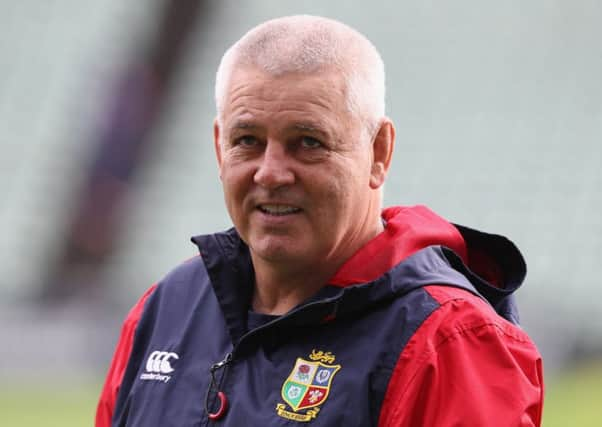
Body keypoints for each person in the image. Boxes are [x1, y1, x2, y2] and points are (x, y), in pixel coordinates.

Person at [96, 15, 543, 426]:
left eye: (308, 142)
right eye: (247, 140)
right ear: (219, 147)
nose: (270, 172)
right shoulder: (165, 310)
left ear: (378, 153)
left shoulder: (446, 341)